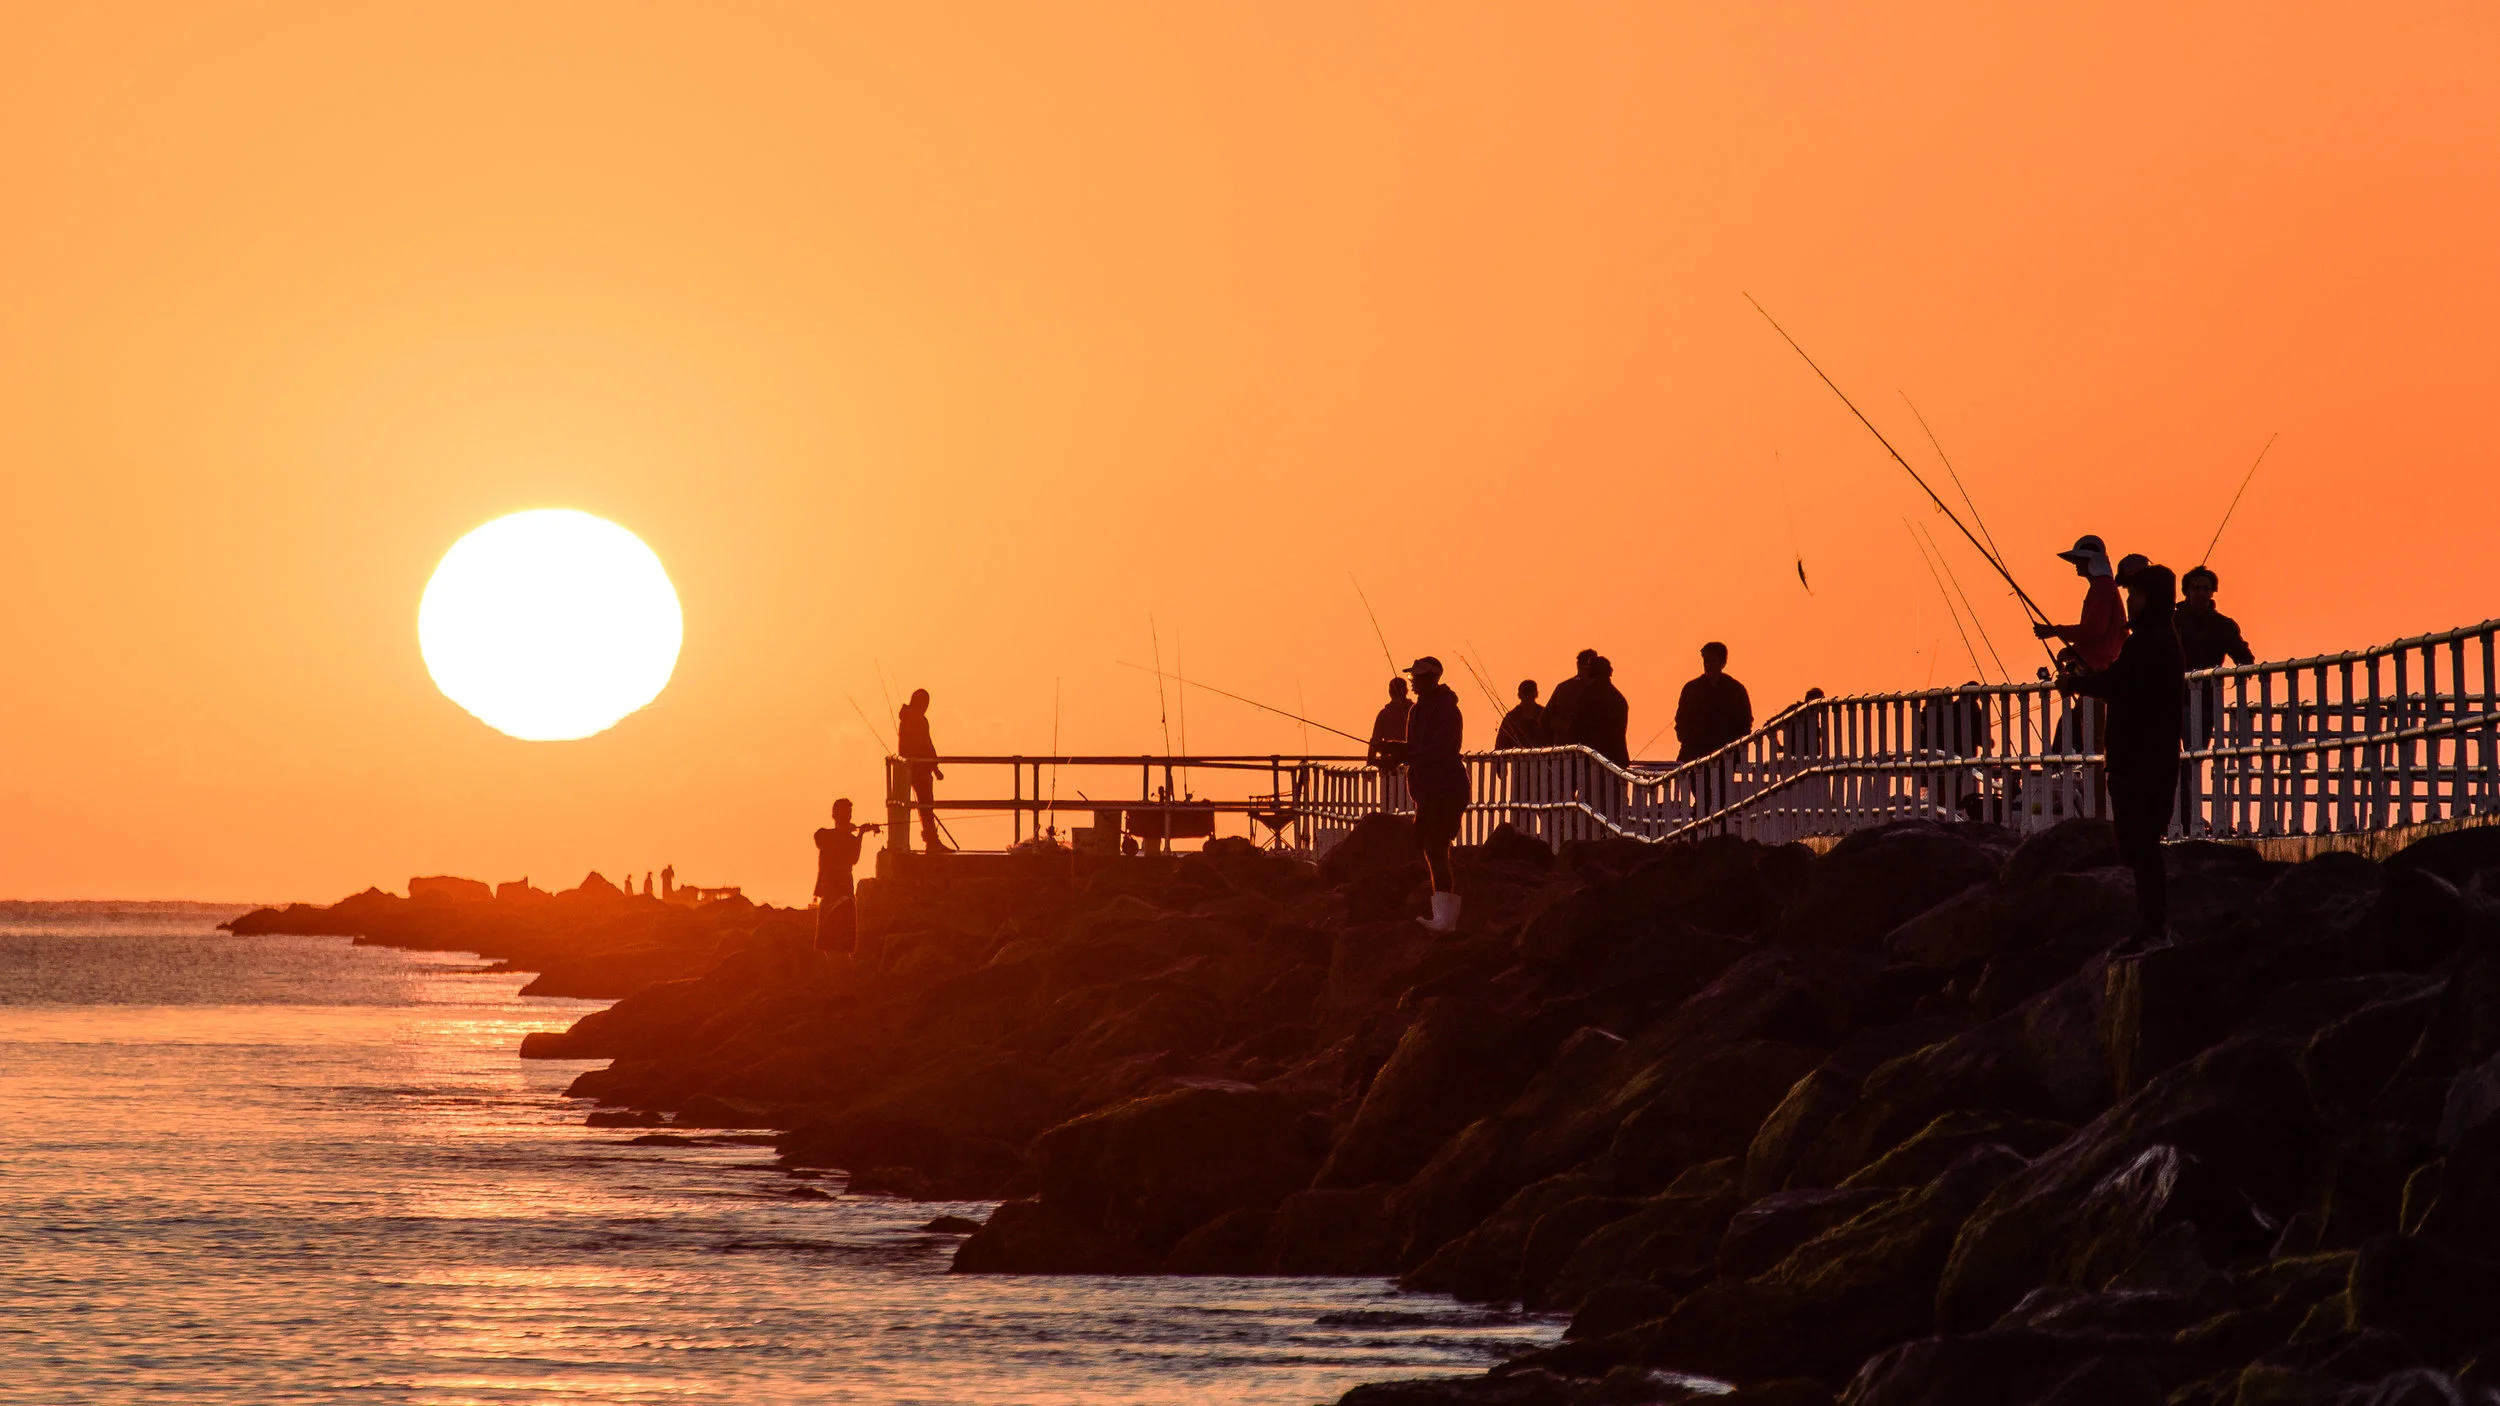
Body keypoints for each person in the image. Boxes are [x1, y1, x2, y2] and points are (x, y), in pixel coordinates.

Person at [2061, 563, 2187, 949]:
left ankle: (2153, 929)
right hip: (2153, 757)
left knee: (2139, 845)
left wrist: (2075, 683)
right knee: (2140, 844)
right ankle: (2152, 927)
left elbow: (2118, 684)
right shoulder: (2160, 639)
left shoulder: (2148, 642)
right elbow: (2122, 682)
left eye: (2134, 596)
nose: (2129, 603)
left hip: (2139, 760)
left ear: (2150, 600)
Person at [1393, 656, 1469, 934]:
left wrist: (1404, 753)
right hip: (1426, 792)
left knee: (1436, 848)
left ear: (1432, 678)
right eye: (1413, 676)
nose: (1412, 681)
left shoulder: (1446, 709)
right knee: (1426, 845)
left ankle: (1445, 920)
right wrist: (1394, 751)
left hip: (1446, 790)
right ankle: (1441, 913)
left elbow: (1440, 750)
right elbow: (1417, 748)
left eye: (1417, 676)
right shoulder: (1419, 709)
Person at [2034, 534, 2126, 672]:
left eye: (2079, 560)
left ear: (2091, 562)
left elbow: (2094, 630)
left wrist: (2054, 631)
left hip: (2104, 668)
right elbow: (2093, 634)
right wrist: (2072, 651)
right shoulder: (2100, 586)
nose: (2075, 564)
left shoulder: (2102, 587)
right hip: (2101, 665)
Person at [812, 799, 879, 954]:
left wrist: (859, 834)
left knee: (831, 947)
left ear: (833, 815)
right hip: (842, 895)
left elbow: (853, 858)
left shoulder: (833, 837)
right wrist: (857, 833)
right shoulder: (825, 835)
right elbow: (852, 857)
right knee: (840, 948)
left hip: (837, 896)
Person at [1674, 642, 1754, 762]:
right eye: (1705, 661)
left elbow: (1745, 722)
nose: (1708, 665)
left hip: (1725, 756)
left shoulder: (1735, 690)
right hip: (1694, 753)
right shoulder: (1691, 689)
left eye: (1712, 661)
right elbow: (1681, 720)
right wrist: (1687, 739)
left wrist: (1733, 748)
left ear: (1723, 663)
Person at [897, 688, 948, 852]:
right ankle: (932, 841)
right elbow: (926, 745)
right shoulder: (919, 720)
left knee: (920, 806)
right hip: (921, 769)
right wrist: (935, 767)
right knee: (926, 806)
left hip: (909, 770)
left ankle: (929, 840)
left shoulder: (905, 718)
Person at [2175, 566, 2255, 671]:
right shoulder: (2172, 622)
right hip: (2176, 686)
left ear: (2212, 592)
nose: (2201, 593)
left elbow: (2245, 660)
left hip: (2210, 686)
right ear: (2186, 592)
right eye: (2196, 588)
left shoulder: (2223, 625)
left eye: (2206, 588)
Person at [1542, 650, 1600, 752]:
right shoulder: (1599, 691)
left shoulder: (1562, 688)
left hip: (1562, 750)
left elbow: (1544, 719)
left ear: (1577, 665)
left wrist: (1554, 741)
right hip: (1589, 752)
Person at [1366, 678, 1412, 771]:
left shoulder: (1384, 714)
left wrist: (1369, 764)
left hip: (1389, 767)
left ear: (1390, 692)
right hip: (1412, 765)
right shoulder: (1415, 711)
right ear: (1406, 691)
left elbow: (1375, 742)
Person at [1495, 680, 1547, 750]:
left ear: (1536, 694)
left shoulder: (1545, 715)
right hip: (1518, 760)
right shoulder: (1511, 718)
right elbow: (1500, 746)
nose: (1528, 697)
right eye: (1525, 694)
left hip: (1543, 759)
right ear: (1519, 695)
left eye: (1530, 693)